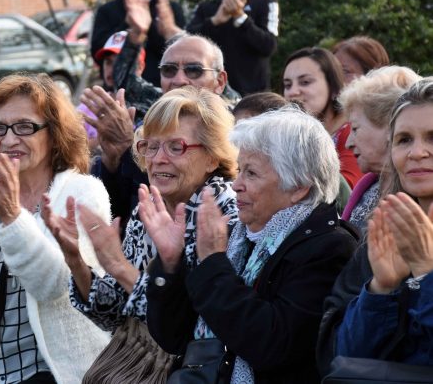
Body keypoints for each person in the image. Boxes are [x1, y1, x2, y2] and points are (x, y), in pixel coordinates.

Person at [145, 107, 358, 383]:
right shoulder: (238, 236)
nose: (236, 185)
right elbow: (173, 338)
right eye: (240, 170)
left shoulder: (330, 249)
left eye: (252, 174)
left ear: (299, 187)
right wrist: (170, 266)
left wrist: (212, 263)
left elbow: (270, 344)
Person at [0, 74, 111, 384]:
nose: (9, 140)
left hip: (50, 365)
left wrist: (13, 217)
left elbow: (54, 287)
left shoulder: (83, 192)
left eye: (25, 127)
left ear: (54, 134)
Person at [48, 87, 238, 333]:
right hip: (135, 357)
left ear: (213, 157)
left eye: (175, 147)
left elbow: (190, 325)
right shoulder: (147, 209)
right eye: (150, 146)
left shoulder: (226, 213)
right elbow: (113, 314)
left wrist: (119, 266)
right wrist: (76, 262)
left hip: (194, 367)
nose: (158, 159)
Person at [319, 78, 433, 373]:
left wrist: (425, 274)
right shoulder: (381, 236)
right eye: (404, 139)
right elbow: (343, 359)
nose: (416, 152)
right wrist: (381, 289)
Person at [82, 34, 228, 221]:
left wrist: (127, 147)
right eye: (169, 70)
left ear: (220, 81)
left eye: (193, 70)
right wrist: (112, 161)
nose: (179, 79)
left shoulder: (239, 131)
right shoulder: (144, 127)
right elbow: (118, 214)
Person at [186, 0, 278, 96]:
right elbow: (186, 43)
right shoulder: (206, 7)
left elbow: (268, 45)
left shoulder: (265, 1)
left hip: (254, 99)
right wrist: (215, 21)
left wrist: (240, 17)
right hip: (213, 98)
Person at [338, 66, 421, 233]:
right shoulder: (368, 185)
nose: (348, 143)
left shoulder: (421, 187)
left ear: (391, 126)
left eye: (355, 128)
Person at [90, 0, 185, 87]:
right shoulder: (107, 10)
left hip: (163, 92)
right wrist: (128, 25)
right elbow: (98, 53)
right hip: (120, 92)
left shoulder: (169, 9)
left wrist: (156, 27)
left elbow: (182, 56)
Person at [282, 47, 362, 188]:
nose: (293, 92)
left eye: (305, 82)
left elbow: (346, 189)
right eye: (287, 85)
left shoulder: (352, 132)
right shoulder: (286, 136)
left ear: (334, 88)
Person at [78, 30, 145, 150]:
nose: (113, 69)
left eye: (121, 63)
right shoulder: (88, 107)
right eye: (108, 62)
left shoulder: (151, 108)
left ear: (140, 67)